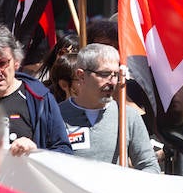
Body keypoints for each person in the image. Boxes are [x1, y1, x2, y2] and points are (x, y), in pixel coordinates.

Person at [0, 21, 71, 156]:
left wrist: (35, 151)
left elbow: (64, 151)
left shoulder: (39, 98)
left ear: (16, 62)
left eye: (1, 63)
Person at [59, 43, 160, 172]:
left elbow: (149, 165)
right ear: (81, 75)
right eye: (105, 74)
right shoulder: (56, 115)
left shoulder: (127, 115)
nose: (112, 81)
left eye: (116, 74)